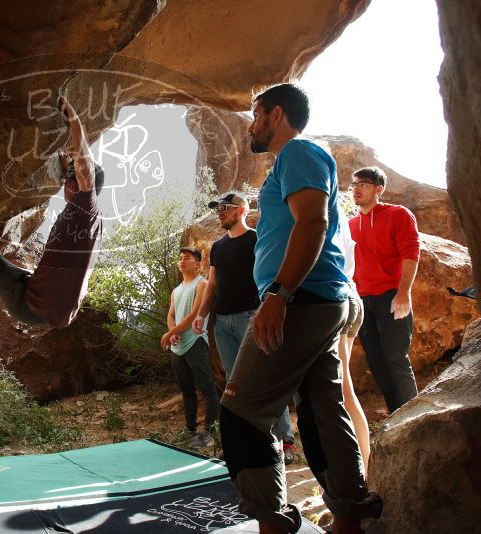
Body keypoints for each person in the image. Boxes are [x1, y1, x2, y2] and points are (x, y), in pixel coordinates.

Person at [219, 83, 380, 534]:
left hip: (300, 300)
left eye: (255, 115)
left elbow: (313, 221)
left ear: (275, 114)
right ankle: (350, 516)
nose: (251, 125)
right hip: (313, 299)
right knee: (322, 410)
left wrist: (279, 295)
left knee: (241, 412)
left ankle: (273, 523)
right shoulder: (294, 161)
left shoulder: (299, 153)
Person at [0, 96, 104, 328]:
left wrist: (74, 121)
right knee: (13, 267)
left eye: (70, 176)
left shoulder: (87, 211)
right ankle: (0, 274)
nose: (66, 180)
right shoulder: (84, 220)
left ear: (78, 184)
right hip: (39, 296)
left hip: (28, 304)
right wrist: (68, 165)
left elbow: (86, 172)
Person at [192, 191, 298, 465]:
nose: (220, 212)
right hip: (222, 322)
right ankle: (243, 441)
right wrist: (201, 315)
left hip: (252, 316)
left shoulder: (256, 239)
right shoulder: (217, 247)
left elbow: (273, 273)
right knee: (234, 383)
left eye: (225, 208)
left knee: (266, 376)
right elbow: (213, 284)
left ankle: (285, 440)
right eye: (218, 209)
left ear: (241, 210)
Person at [349, 166, 420, 414]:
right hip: (362, 301)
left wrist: (403, 293)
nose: (356, 189)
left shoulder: (398, 214)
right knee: (377, 362)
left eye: (363, 184)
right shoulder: (350, 224)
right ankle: (397, 417)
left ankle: (414, 417)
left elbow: (411, 253)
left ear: (379, 189)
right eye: (354, 184)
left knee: (395, 358)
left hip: (392, 296)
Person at [162, 247, 220, 449]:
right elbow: (171, 315)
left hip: (195, 342)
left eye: (187, 258)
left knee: (208, 389)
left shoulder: (202, 284)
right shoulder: (176, 290)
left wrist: (170, 334)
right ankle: (190, 431)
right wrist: (173, 332)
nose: (182, 261)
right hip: (178, 347)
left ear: (197, 263)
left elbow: (196, 313)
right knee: (186, 390)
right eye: (180, 258)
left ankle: (210, 433)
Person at [336, 212, 371, 473]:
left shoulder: (318, 211)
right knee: (345, 389)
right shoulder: (340, 215)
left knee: (342, 392)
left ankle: (363, 469)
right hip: (352, 296)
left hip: (338, 299)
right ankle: (367, 465)